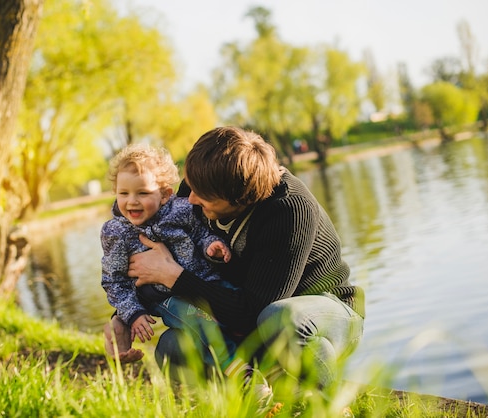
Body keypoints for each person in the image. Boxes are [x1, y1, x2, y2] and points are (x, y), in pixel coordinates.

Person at [118, 127, 366, 395]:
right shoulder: (203, 181)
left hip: (323, 314)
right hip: (247, 323)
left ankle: (327, 402)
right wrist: (124, 314)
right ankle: (253, 396)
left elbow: (253, 312)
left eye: (203, 197)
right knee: (171, 347)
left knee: (282, 318)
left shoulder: (289, 209)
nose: (190, 199)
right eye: (190, 185)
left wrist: (174, 277)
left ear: (241, 199)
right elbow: (150, 259)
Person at [101, 143, 237, 368]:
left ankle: (261, 358)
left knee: (234, 305)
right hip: (163, 296)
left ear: (165, 194)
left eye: (142, 193)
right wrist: (133, 313)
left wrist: (211, 245)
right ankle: (238, 371)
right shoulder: (117, 232)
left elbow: (200, 233)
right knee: (199, 322)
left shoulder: (181, 210)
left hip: (203, 281)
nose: (131, 201)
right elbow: (114, 280)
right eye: (123, 193)